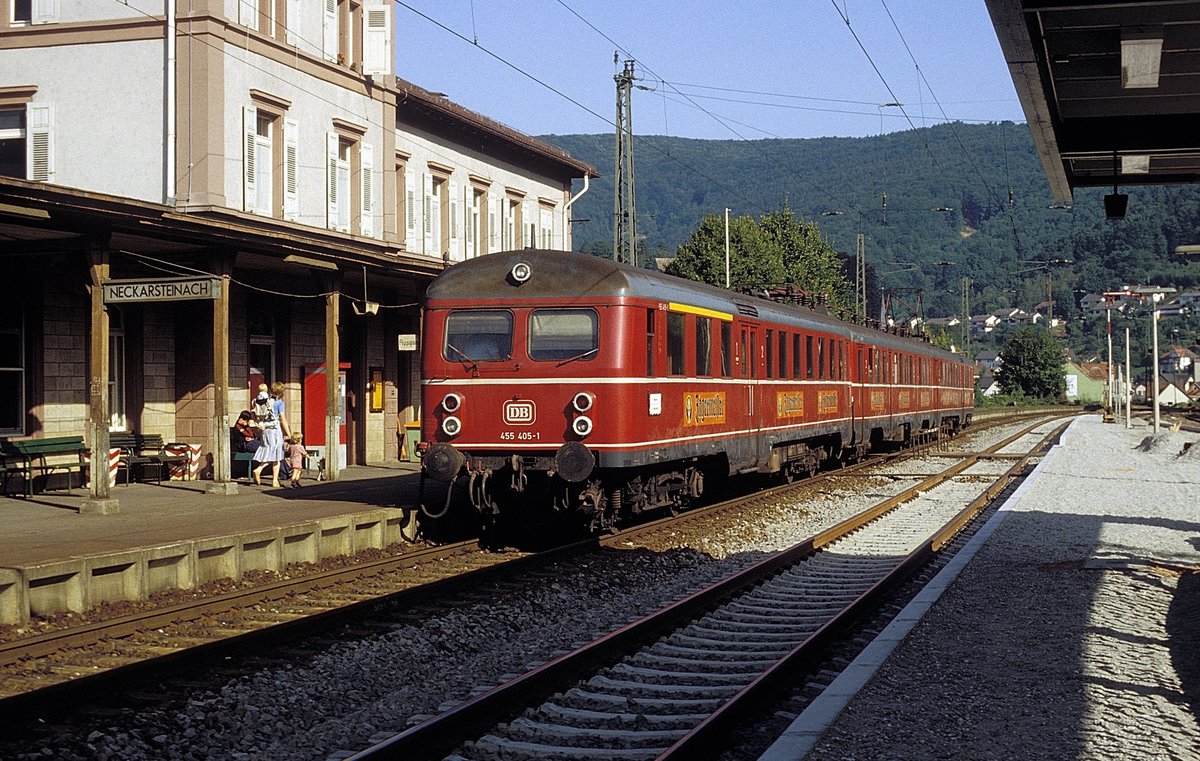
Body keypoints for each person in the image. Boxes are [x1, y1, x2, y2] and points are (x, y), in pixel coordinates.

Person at [251, 382, 290, 487]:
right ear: (281, 392)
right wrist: (289, 435)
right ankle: (267, 475)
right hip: (275, 430)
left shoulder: (262, 401)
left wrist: (258, 424)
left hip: (265, 430)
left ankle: (274, 479)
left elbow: (253, 413)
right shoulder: (279, 403)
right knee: (276, 455)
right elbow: (283, 420)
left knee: (269, 452)